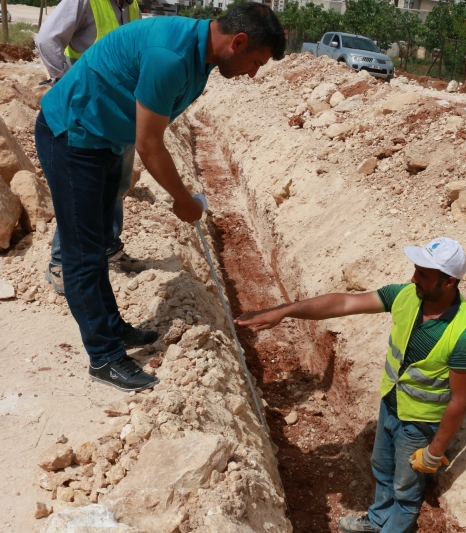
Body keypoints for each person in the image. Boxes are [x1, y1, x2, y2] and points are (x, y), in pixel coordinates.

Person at [35, 5, 285, 392]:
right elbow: (150, 146)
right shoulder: (170, 57)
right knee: (81, 255)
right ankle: (104, 357)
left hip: (102, 139)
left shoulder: (199, 57)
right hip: (72, 136)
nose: (253, 73)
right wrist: (183, 201)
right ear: (237, 42)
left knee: (97, 244)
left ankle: (112, 327)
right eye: (256, 61)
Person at [235, 238, 466, 533]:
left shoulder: (465, 336)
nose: (413, 278)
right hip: (391, 404)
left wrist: (434, 451)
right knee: (381, 468)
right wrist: (285, 310)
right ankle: (377, 521)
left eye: (423, 275)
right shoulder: (406, 296)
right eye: (416, 270)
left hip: (419, 425)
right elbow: (344, 302)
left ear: (449, 281)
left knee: (406, 490)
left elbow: (460, 400)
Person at [36, 0, 145, 294]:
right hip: (88, 105)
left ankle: (108, 245)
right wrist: (64, 80)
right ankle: (60, 263)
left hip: (119, 106)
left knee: (118, 182)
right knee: (82, 188)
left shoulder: (131, 5)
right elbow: (47, 38)